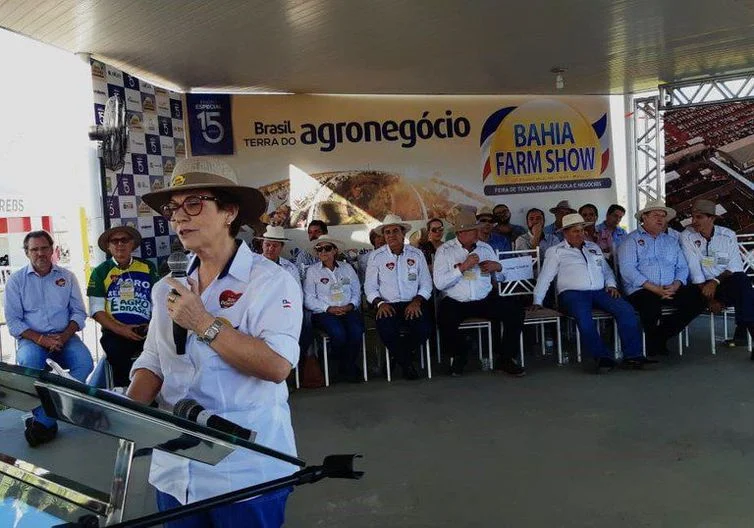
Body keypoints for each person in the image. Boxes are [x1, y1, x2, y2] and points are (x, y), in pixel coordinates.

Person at [128, 157, 302, 527]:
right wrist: (123, 412)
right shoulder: (167, 288)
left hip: (245, 472)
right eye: (173, 209)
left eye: (194, 204)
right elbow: (155, 361)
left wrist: (203, 323)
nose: (179, 218)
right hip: (176, 472)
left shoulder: (270, 281)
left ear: (229, 212)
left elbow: (276, 366)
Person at [4, 230, 93, 446]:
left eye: (44, 248)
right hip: (32, 340)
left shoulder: (67, 276)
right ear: (27, 253)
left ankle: (44, 419)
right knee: (29, 367)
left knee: (85, 363)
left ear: (52, 250)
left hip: (66, 338)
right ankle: (47, 420)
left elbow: (79, 313)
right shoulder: (16, 281)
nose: (40, 253)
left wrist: (63, 336)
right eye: (34, 249)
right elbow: (14, 322)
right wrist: (42, 340)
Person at [532, 214, 650, 372]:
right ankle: (603, 357)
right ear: (565, 233)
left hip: (600, 291)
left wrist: (611, 285)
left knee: (626, 310)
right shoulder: (556, 251)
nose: (580, 234)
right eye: (575, 231)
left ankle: (633, 356)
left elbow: (606, 270)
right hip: (572, 294)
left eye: (581, 230)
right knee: (584, 317)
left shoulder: (593, 247)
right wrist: (537, 300)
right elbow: (545, 276)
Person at [433, 210, 525, 377]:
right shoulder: (445, 251)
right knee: (444, 317)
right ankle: (460, 355)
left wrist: (497, 267)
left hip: (485, 299)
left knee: (515, 311)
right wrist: (462, 268)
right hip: (456, 300)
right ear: (461, 233)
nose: (478, 232)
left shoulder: (485, 247)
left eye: (477, 229)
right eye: (473, 230)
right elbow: (439, 283)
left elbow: (501, 277)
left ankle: (505, 359)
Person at [617, 199, 706, 357]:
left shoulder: (671, 241)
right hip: (642, 289)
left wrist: (677, 284)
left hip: (669, 287)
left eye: (663, 216)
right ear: (644, 217)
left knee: (699, 298)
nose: (660, 219)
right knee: (650, 305)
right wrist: (654, 288)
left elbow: (682, 267)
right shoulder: (631, 240)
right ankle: (653, 345)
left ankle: (660, 336)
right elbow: (627, 269)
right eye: (655, 215)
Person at [680, 199, 754, 358]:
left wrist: (716, 282)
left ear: (711, 218)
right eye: (692, 217)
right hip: (700, 286)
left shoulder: (727, 235)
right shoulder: (687, 236)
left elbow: (734, 267)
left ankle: (743, 329)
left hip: (723, 283)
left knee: (742, 281)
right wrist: (710, 300)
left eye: (699, 217)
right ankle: (742, 332)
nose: (694, 221)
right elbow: (695, 270)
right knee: (746, 292)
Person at [88, 226, 159, 387]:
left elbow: (158, 301)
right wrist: (121, 330)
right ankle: (125, 396)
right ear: (108, 246)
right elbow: (96, 310)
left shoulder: (148, 267)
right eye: (115, 241)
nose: (120, 244)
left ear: (132, 244)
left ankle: (157, 398)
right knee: (118, 355)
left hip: (148, 329)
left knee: (164, 352)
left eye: (124, 240)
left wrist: (151, 325)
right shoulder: (100, 271)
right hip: (115, 332)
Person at [365, 214, 432, 380]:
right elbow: (369, 287)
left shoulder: (416, 254)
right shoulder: (376, 256)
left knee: (425, 329)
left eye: (395, 231)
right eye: (387, 232)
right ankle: (407, 363)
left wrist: (417, 301)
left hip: (413, 303)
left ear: (403, 234)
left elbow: (426, 283)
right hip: (388, 305)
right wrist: (379, 303)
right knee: (387, 331)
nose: (391, 235)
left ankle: (399, 357)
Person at [304, 235, 364, 382]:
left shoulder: (347, 268)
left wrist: (350, 305)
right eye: (319, 249)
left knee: (357, 331)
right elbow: (308, 298)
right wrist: (328, 308)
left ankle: (344, 365)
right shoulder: (312, 271)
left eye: (327, 248)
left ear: (335, 251)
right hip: (324, 313)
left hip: (348, 310)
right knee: (338, 334)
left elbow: (357, 291)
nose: (323, 251)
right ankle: (345, 365)